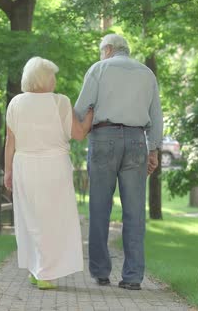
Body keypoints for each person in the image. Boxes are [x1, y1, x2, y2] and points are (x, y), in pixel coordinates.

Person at [74, 34, 163, 290]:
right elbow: (156, 116)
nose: (101, 55)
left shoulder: (99, 69)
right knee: (135, 212)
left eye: (102, 51)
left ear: (109, 49)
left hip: (104, 138)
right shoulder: (147, 74)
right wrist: (154, 150)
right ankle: (133, 277)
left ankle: (101, 272)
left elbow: (80, 109)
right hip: (137, 142)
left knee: (100, 208)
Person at [4, 57, 93, 290]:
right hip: (54, 166)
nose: (55, 79)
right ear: (45, 78)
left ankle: (37, 268)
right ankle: (46, 273)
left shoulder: (15, 103)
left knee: (30, 217)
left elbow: (10, 142)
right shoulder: (61, 102)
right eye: (52, 75)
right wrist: (92, 115)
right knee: (53, 219)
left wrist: (8, 171)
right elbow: (79, 134)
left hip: (24, 164)